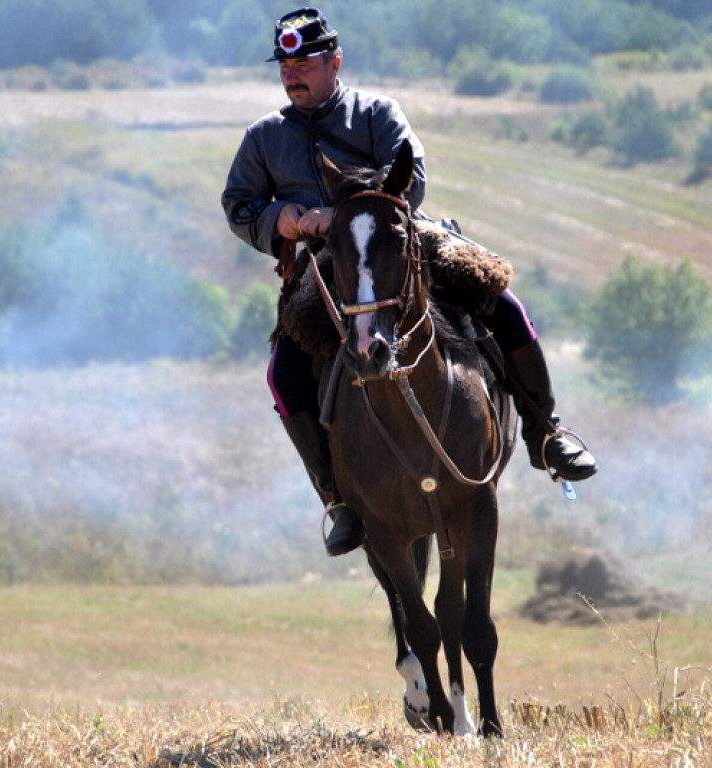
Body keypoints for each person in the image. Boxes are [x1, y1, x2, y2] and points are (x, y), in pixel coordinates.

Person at [221, 7, 596, 558]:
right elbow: (239, 205)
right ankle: (337, 499)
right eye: (285, 66)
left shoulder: (378, 113)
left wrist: (342, 213)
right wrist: (281, 218)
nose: (292, 75)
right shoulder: (263, 137)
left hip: (400, 243)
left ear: (334, 63)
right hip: (325, 264)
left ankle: (547, 434)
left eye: (303, 64)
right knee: (283, 376)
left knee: (505, 305)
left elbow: (411, 178)